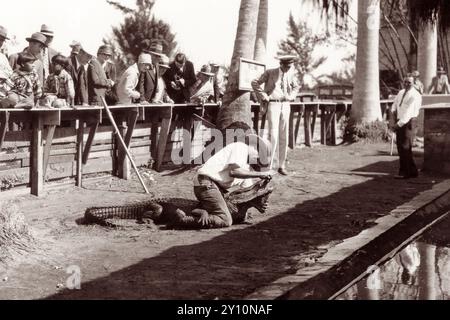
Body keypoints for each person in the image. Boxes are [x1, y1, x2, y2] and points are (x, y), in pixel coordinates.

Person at [174, 133, 273, 229]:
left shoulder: (245, 167)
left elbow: (248, 193)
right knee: (226, 220)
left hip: (212, 187)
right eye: (259, 154)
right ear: (254, 146)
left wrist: (259, 203)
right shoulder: (240, 147)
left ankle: (200, 213)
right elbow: (234, 172)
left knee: (238, 215)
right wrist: (260, 174)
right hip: (206, 183)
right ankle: (185, 220)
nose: (258, 159)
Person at [251, 55, 300, 176]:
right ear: (281, 64)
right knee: (273, 135)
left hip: (286, 105)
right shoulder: (270, 72)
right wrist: (263, 96)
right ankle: (268, 165)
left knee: (284, 136)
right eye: (286, 66)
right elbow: (254, 82)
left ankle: (281, 165)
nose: (288, 69)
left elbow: (296, 86)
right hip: (273, 105)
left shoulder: (291, 74)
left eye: (290, 66)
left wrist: (291, 96)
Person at [390, 75, 422, 179]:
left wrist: (397, 125)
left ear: (414, 83)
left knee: (405, 147)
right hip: (400, 121)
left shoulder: (415, 95)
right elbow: (395, 104)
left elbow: (408, 112)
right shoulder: (401, 92)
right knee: (402, 147)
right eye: (405, 82)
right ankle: (412, 171)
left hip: (409, 122)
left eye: (409, 82)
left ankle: (405, 172)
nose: (407, 84)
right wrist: (393, 112)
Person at [0, 26, 13, 98]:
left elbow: (10, 73)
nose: (0, 42)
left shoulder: (3, 57)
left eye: (2, 40)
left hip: (2, 94)